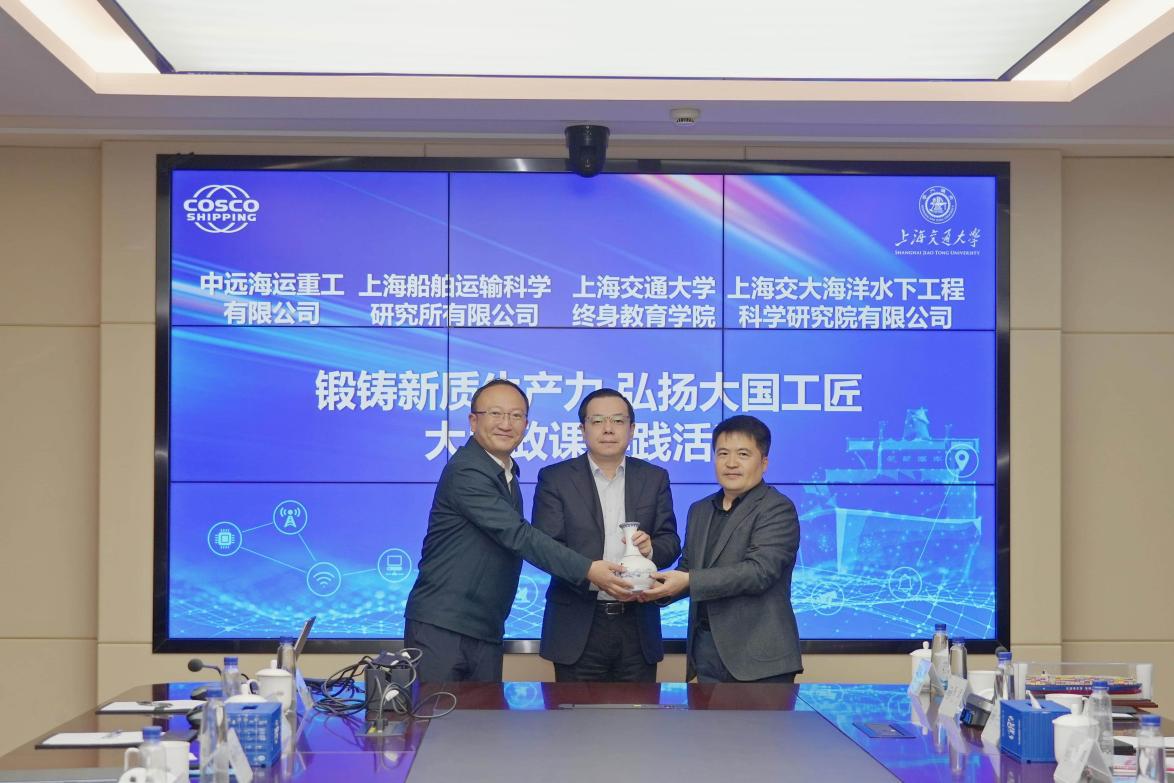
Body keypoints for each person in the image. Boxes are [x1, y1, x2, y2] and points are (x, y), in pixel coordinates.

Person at [404, 378, 632, 682]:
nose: (506, 424)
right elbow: (519, 535)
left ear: (526, 424)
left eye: (516, 416)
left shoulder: (505, 471)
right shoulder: (467, 471)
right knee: (437, 713)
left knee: (482, 714)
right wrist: (589, 570)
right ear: (473, 421)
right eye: (495, 414)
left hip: (484, 627)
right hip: (444, 625)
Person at [532, 388, 680, 682]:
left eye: (618, 421)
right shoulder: (555, 478)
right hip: (576, 625)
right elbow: (546, 547)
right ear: (582, 429)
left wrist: (650, 550)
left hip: (637, 624)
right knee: (573, 713)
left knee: (640, 713)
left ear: (632, 429)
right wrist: (589, 571)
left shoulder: (654, 477)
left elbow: (671, 541)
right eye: (598, 421)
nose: (608, 429)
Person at [640, 414, 802, 683]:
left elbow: (759, 572)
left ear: (764, 463)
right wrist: (651, 587)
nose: (731, 463)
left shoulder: (777, 508)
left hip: (759, 659)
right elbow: (688, 568)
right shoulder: (700, 510)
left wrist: (689, 580)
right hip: (706, 655)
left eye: (743, 454)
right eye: (723, 453)